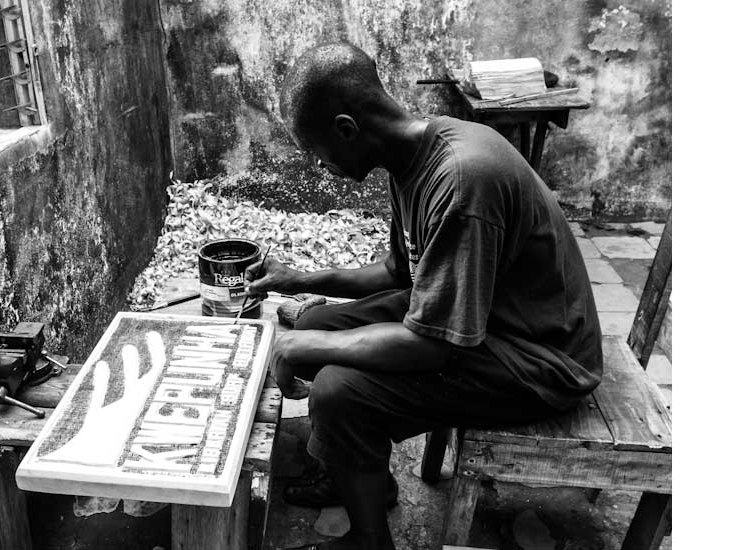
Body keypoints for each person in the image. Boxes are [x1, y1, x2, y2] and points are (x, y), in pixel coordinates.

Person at [244, 43, 603, 550]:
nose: (320, 167)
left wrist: (304, 352)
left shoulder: (460, 181)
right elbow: (397, 270)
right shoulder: (410, 156)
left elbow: (433, 346)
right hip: (482, 319)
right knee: (312, 325)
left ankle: (371, 541)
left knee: (337, 389)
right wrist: (301, 279)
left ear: (347, 129)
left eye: (316, 152)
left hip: (541, 356)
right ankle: (358, 471)